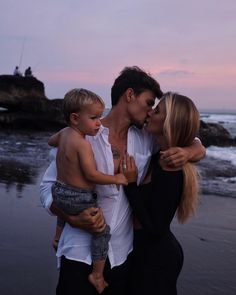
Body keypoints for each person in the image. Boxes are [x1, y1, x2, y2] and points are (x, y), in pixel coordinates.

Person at [40, 66, 205, 295]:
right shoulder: (81, 136)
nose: (150, 112)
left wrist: (191, 151)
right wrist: (70, 217)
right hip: (79, 253)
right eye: (148, 103)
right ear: (129, 95)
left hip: (123, 258)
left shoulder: (147, 139)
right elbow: (47, 186)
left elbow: (187, 134)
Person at [48, 88, 127, 294]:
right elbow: (92, 176)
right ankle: (97, 274)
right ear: (75, 118)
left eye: (100, 117)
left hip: (59, 191)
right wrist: (116, 178)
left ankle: (58, 236)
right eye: (93, 118)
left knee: (65, 209)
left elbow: (50, 141)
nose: (99, 123)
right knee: (102, 233)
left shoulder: (64, 134)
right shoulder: (83, 144)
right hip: (79, 197)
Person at [121, 92, 200, 295]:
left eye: (156, 111)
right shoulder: (159, 154)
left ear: (168, 122)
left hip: (156, 259)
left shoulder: (170, 166)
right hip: (144, 253)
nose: (150, 113)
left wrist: (130, 184)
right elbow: (197, 143)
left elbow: (155, 227)